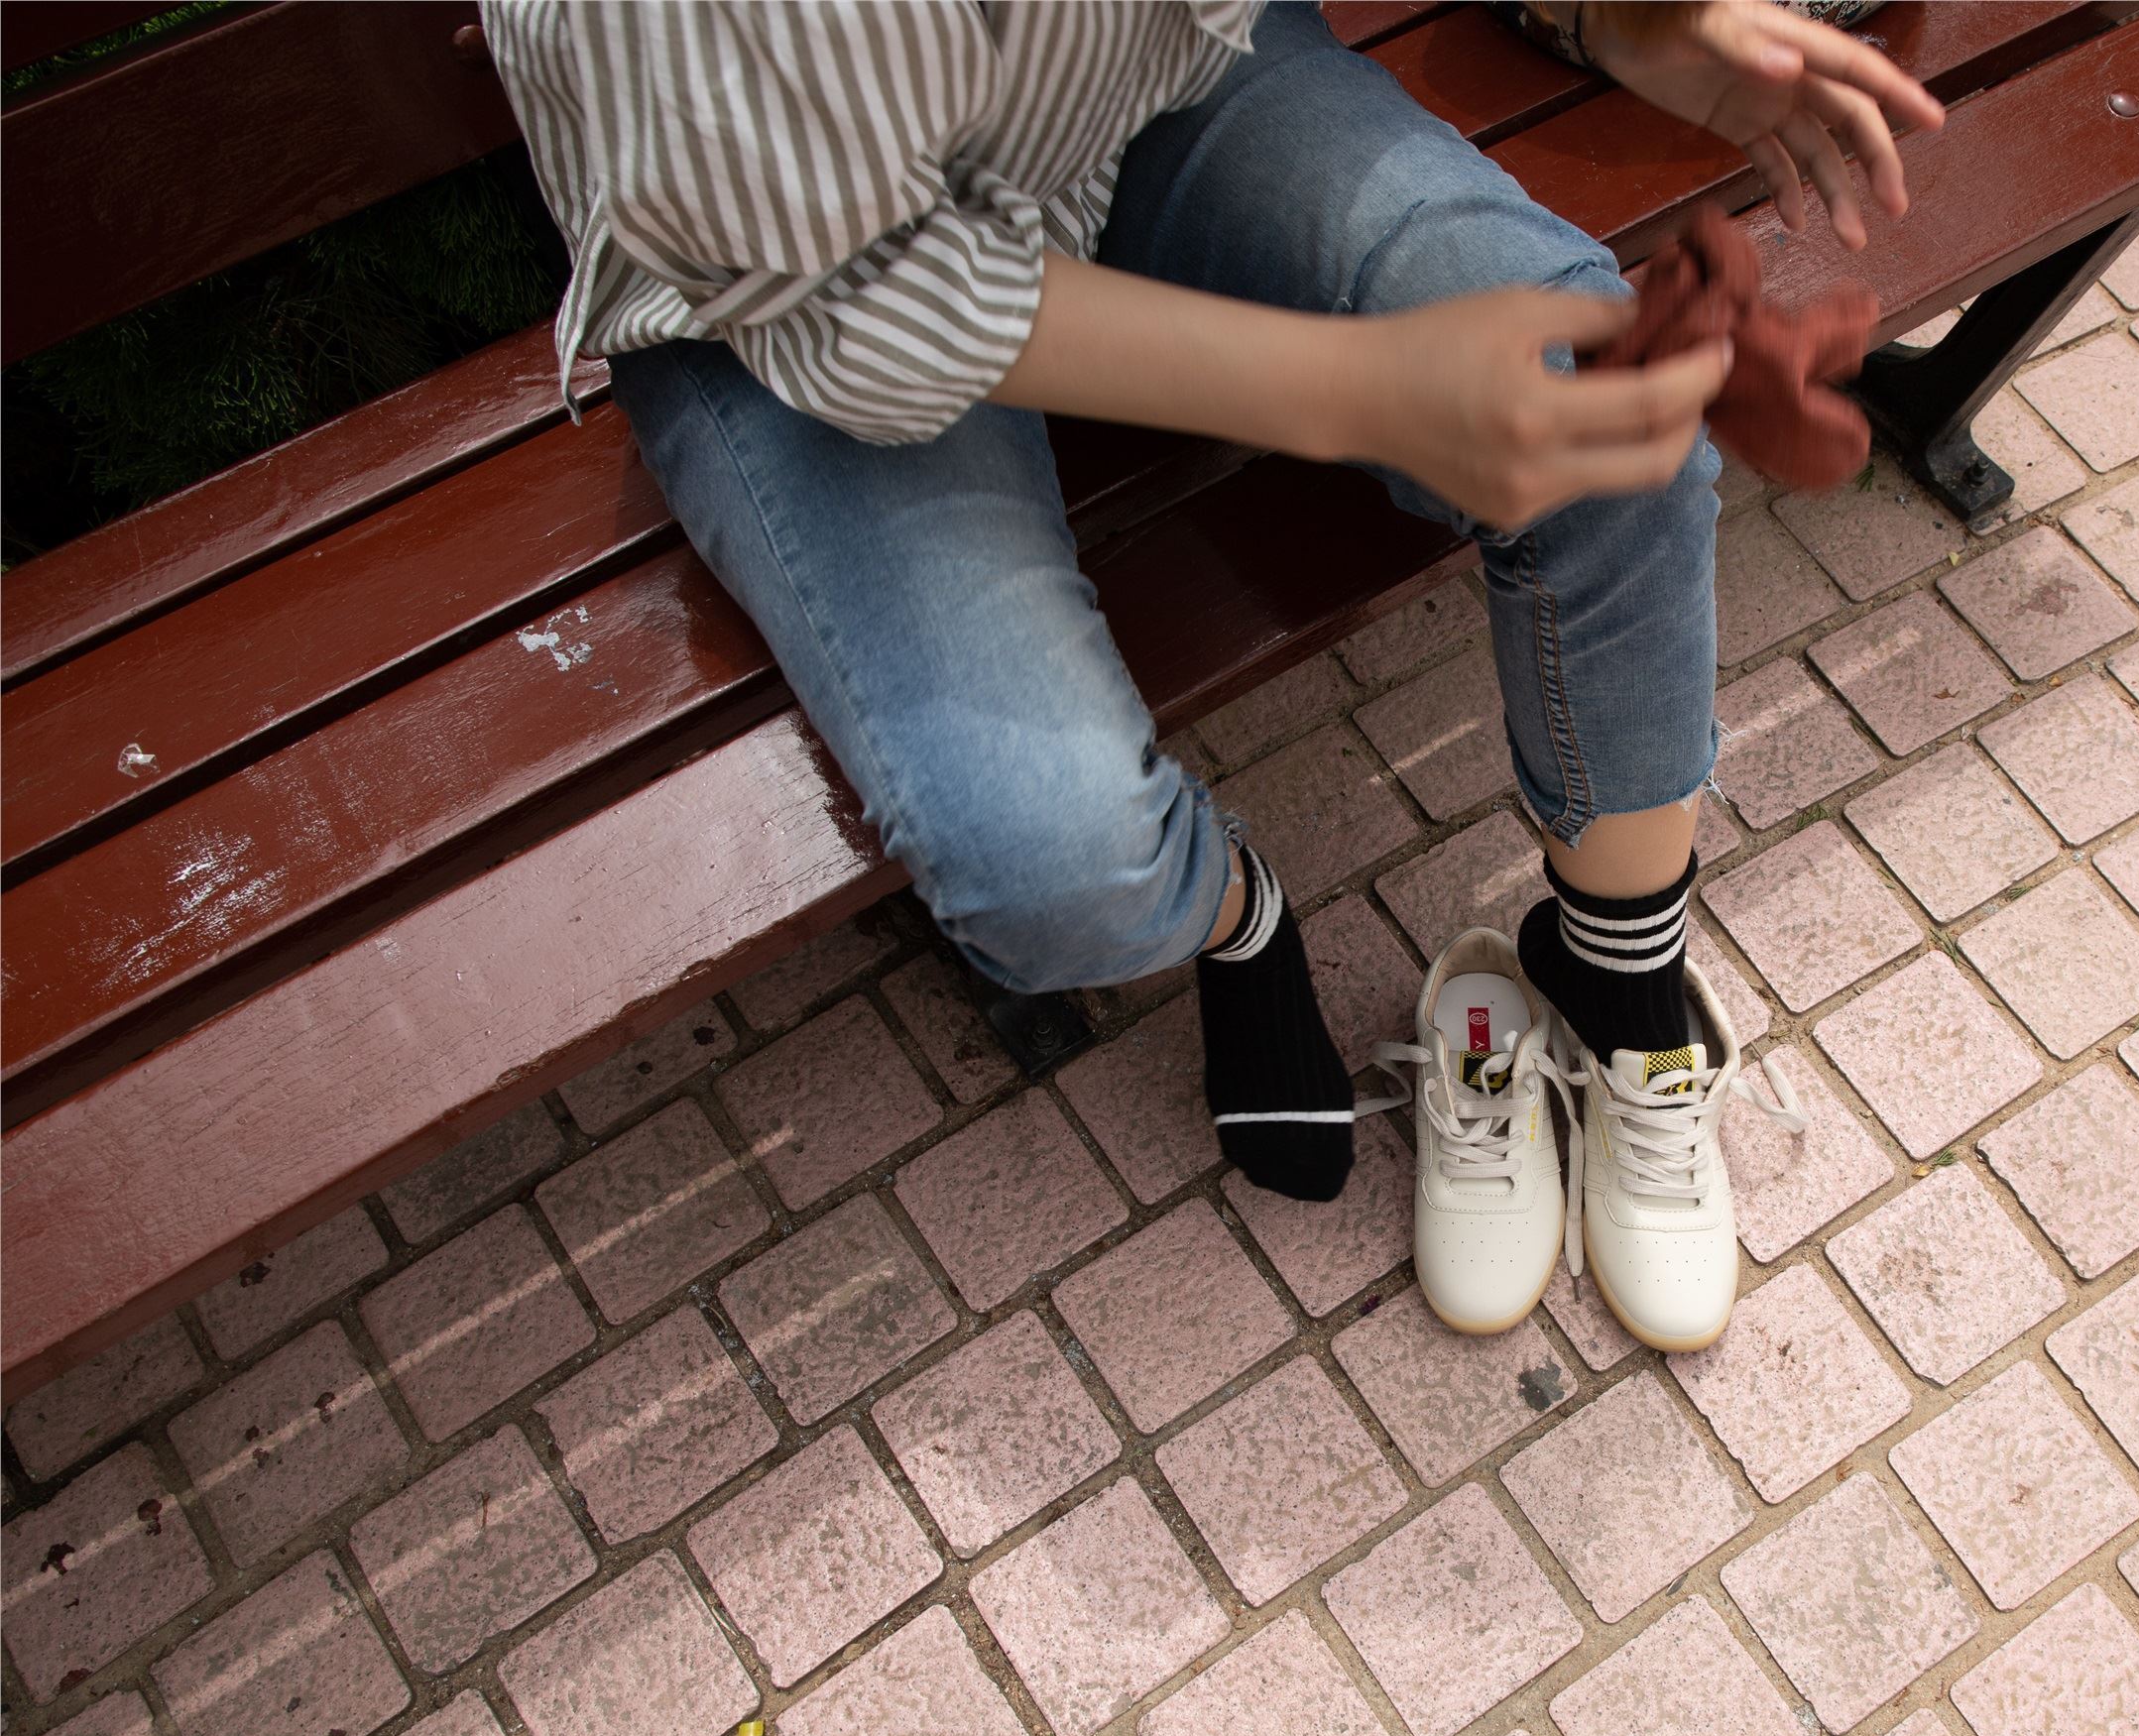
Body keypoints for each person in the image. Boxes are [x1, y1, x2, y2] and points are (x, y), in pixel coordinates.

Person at [483, 0, 1939, 1351]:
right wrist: (1365, 389)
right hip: (793, 287)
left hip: (1146, 70)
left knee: (1614, 435)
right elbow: (856, 313)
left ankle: (1618, 983)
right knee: (1054, 867)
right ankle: (1241, 914)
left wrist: (1618, 14)